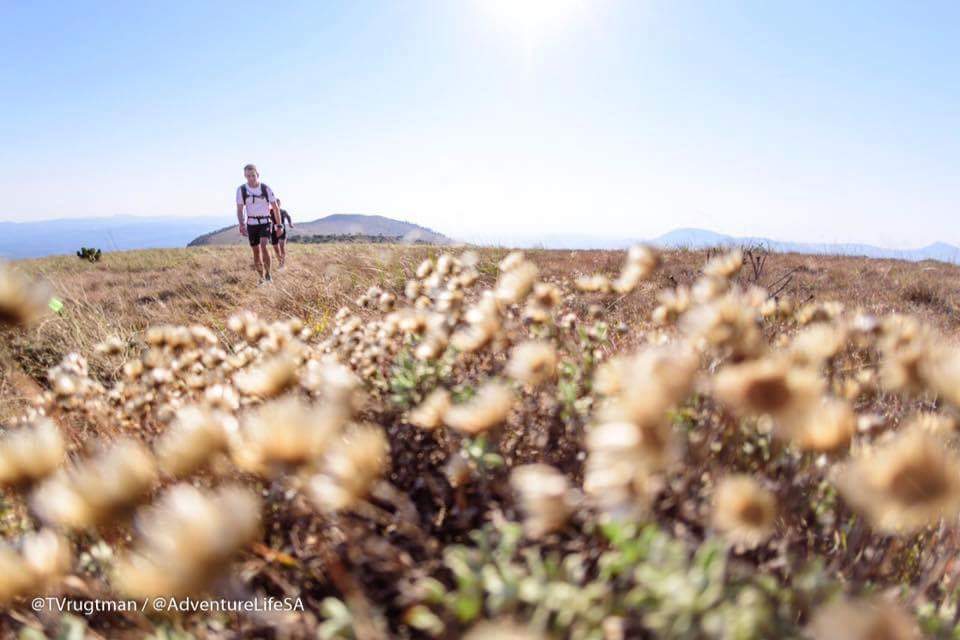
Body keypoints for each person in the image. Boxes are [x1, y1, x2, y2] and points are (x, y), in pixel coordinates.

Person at [236, 164, 282, 284]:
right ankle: (261, 278)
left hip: (265, 222)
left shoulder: (265, 188)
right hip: (251, 224)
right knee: (255, 251)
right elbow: (240, 209)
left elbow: (275, 208)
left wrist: (279, 225)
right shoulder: (241, 190)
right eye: (248, 176)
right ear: (245, 176)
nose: (251, 178)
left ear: (258, 175)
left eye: (253, 175)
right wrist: (241, 224)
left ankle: (268, 275)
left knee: (264, 246)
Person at [271, 200, 293, 269]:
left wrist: (290, 223)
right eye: (275, 203)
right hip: (273, 231)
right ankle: (279, 262)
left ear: (280, 204)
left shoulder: (283, 211)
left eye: (278, 203)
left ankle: (282, 264)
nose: (276, 204)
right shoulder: (270, 211)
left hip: (282, 231)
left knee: (281, 247)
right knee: (275, 248)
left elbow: (288, 217)